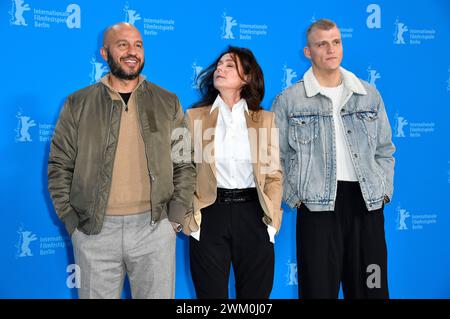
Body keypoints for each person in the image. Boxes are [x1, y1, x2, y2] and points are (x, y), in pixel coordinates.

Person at [47, 22, 196, 299]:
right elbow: (59, 165)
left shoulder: (167, 101)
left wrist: (174, 218)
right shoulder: (78, 103)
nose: (132, 51)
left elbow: (184, 161)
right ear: (105, 53)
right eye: (122, 44)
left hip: (155, 230)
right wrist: (72, 222)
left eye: (138, 45)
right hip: (94, 232)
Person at [271, 18, 395, 299]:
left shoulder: (368, 94)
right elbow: (274, 158)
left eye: (336, 42)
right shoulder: (289, 100)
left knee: (372, 290)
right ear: (308, 52)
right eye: (321, 44)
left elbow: (385, 149)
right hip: (317, 212)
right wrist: (296, 197)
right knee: (318, 292)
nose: (331, 49)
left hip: (367, 208)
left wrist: (383, 192)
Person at [183, 46, 283, 299]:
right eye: (219, 65)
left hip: (255, 215)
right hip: (209, 214)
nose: (220, 68)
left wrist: (272, 222)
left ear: (247, 77)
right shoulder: (193, 118)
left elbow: (273, 175)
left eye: (229, 65)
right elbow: (181, 170)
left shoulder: (265, 119)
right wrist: (191, 219)